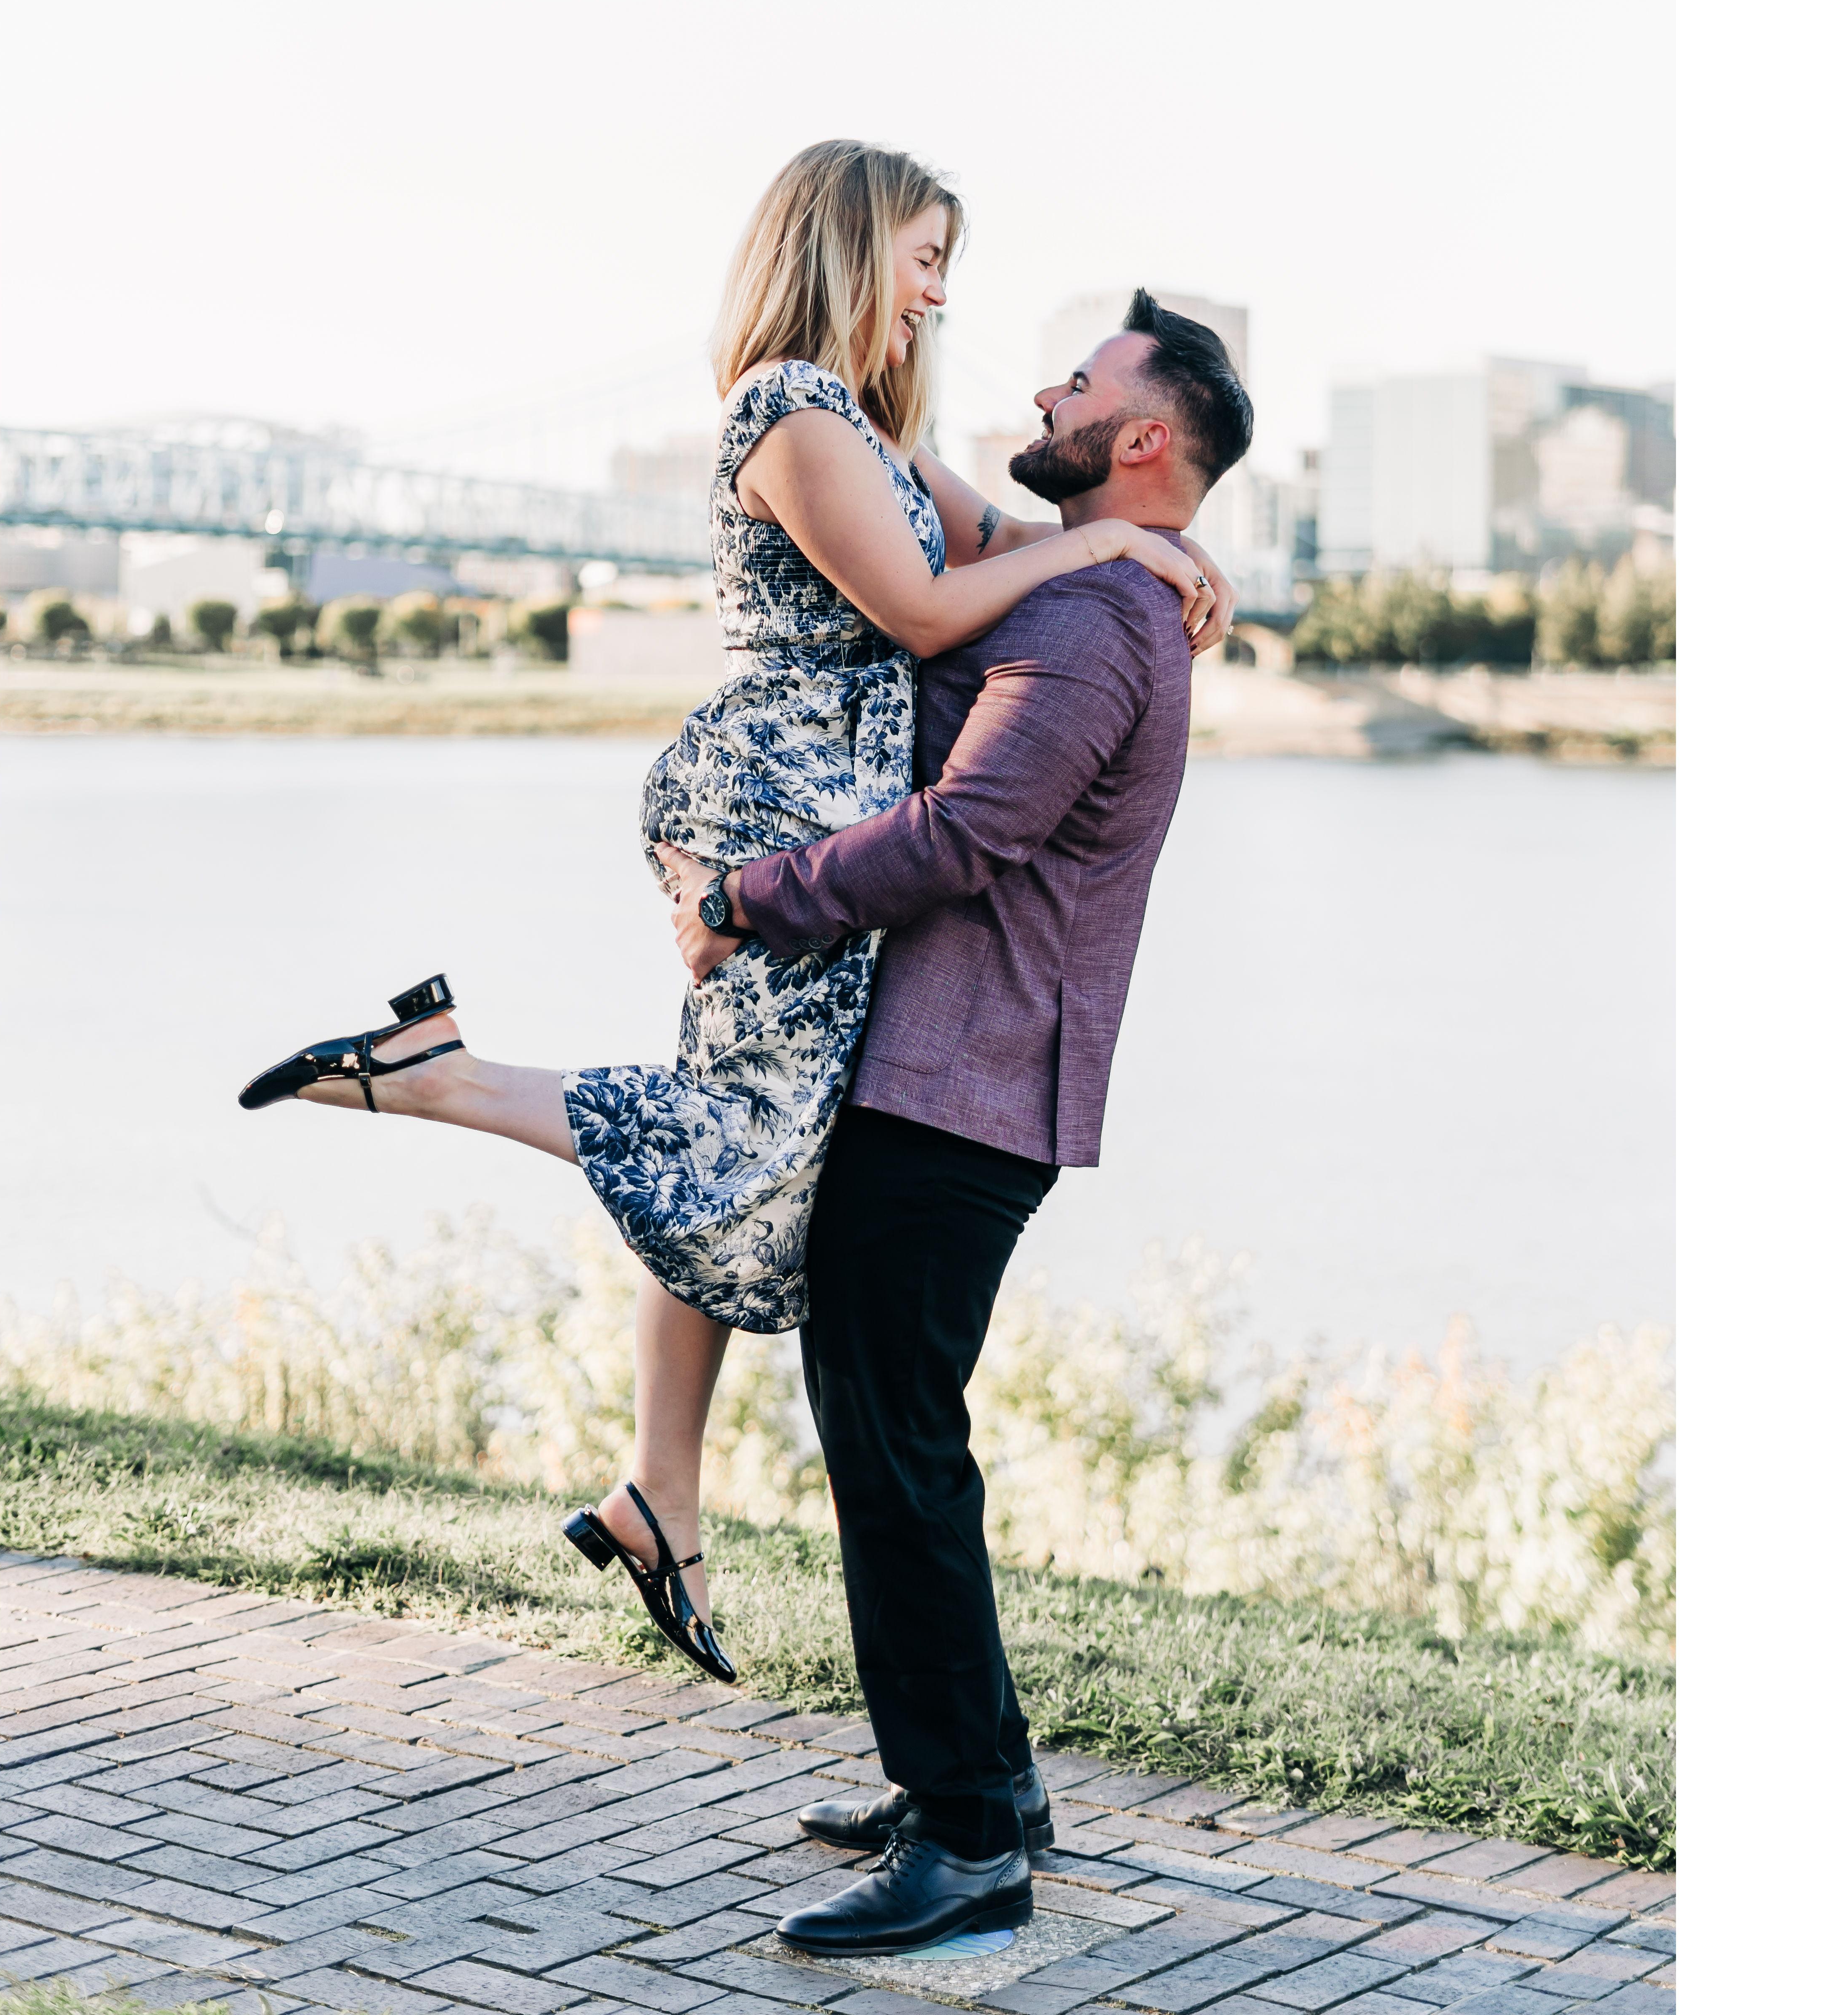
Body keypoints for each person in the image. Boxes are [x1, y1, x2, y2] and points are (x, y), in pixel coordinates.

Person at [236, 143, 1232, 1685]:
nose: (939, 294)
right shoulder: (791, 412)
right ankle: (442, 1081)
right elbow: (924, 611)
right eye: (924, 258)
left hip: (817, 799)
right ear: (851, 249)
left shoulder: (873, 433)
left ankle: (661, 1490)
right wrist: (1117, 539)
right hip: (771, 802)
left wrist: (1162, 539)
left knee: (749, 1141)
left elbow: (992, 548)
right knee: (746, 1139)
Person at [657, 289, 1253, 1955]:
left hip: (959, 1086)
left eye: (1081, 383)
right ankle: (984, 1780)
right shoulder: (1090, 584)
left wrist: (744, 901)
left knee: (892, 1446)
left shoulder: (1094, 623)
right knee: (909, 1437)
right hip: (958, 1076)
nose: (1046, 393)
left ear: (1143, 437)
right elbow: (908, 495)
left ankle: (972, 1841)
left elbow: (964, 834)